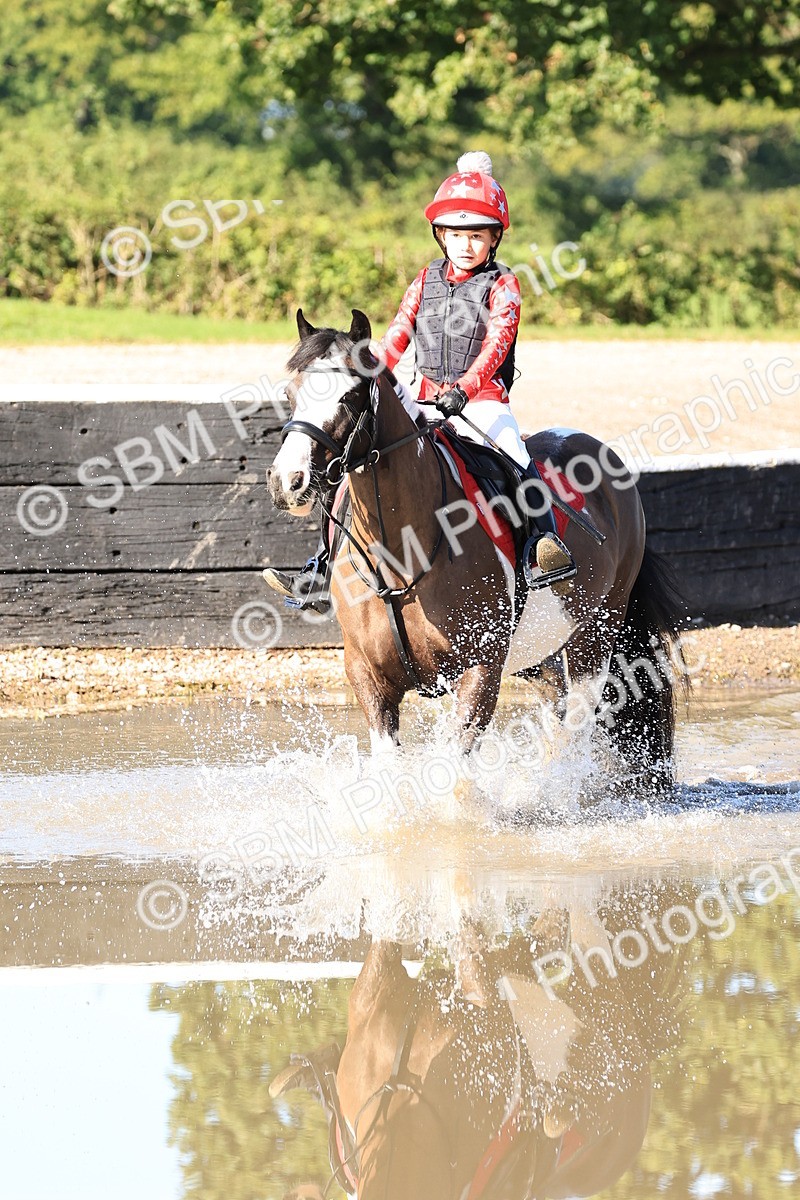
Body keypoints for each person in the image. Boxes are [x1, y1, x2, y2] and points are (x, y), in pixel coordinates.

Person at [264, 151, 574, 612]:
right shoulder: (425, 279)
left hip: (482, 402)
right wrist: (365, 369)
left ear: (494, 238)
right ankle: (322, 565)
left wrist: (465, 390)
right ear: (440, 235)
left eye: (476, 236)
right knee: (352, 470)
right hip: (424, 400)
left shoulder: (504, 284)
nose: (465, 245)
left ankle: (539, 548)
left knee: (516, 457)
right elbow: (395, 338)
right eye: (456, 235)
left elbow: (497, 345)